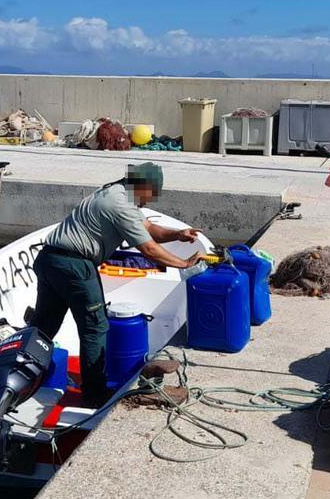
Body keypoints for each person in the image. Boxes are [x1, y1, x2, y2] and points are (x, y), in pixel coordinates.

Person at [31, 162, 202, 406]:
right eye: (152, 195)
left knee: (43, 326)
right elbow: (149, 249)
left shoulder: (115, 193)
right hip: (75, 265)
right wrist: (184, 264)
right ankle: (95, 394)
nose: (149, 201)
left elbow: (149, 229)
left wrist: (178, 234)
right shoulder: (120, 204)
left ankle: (24, 373)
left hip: (49, 259)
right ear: (144, 187)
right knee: (95, 327)